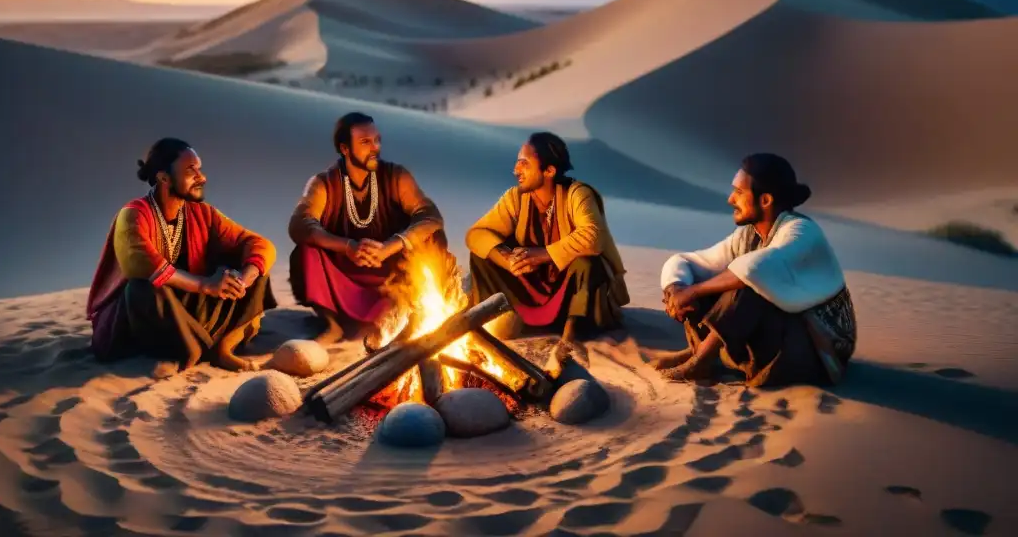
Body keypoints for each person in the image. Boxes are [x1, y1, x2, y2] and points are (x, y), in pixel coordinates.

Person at [656, 153, 856, 387]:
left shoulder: (802, 231)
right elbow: (687, 261)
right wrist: (677, 288)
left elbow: (755, 268)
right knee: (700, 284)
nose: (731, 199)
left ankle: (701, 362)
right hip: (777, 340)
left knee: (749, 286)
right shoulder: (747, 236)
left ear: (766, 200)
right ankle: (698, 352)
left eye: (739, 192)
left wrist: (694, 291)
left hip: (816, 355)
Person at [87, 138, 277, 374]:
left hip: (193, 310)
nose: (202, 176)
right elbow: (141, 264)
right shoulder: (133, 214)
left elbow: (259, 244)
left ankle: (222, 348)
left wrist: (242, 280)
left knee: (257, 269)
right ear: (163, 177)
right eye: (191, 170)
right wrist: (206, 285)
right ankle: (195, 350)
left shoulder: (203, 213)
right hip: (153, 319)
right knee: (141, 287)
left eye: (199, 168)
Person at [287, 112, 446, 344]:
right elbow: (300, 223)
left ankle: (406, 316)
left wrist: (391, 246)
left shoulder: (396, 176)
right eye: (365, 142)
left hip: (393, 278)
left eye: (377, 140)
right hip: (344, 276)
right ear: (345, 148)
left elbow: (430, 216)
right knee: (305, 252)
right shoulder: (324, 183)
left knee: (432, 238)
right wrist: (348, 247)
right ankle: (332, 325)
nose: (375, 148)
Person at [466, 132, 629, 348]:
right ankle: (499, 316)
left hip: (570, 293)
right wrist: (506, 259)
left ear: (549, 170)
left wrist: (543, 254)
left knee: (587, 263)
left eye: (524, 163)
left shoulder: (577, 194)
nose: (516, 171)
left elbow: (593, 237)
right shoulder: (516, 198)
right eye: (517, 163)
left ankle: (571, 331)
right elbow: (476, 234)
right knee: (483, 254)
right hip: (533, 284)